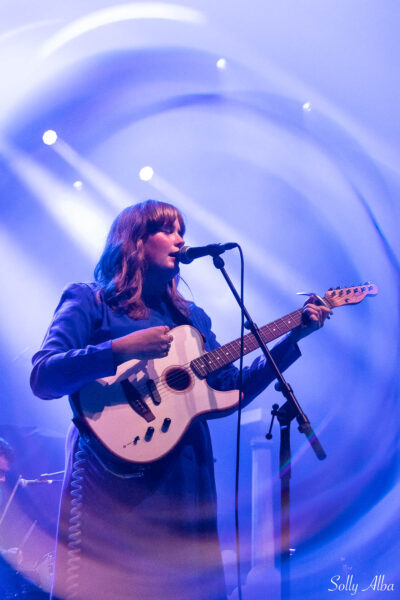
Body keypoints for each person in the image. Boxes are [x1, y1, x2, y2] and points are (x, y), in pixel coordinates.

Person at [30, 200, 331, 600]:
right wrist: (120, 348)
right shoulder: (91, 301)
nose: (180, 239)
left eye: (182, 231)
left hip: (186, 482)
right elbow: (44, 375)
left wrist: (294, 337)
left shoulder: (192, 318)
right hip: (114, 486)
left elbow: (230, 386)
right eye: (168, 229)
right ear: (135, 240)